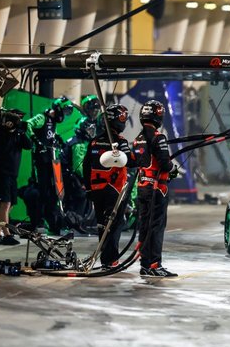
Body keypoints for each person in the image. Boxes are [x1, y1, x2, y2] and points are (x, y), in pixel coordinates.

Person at [83, 104, 135, 269]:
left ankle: (106, 259)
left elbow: (86, 166)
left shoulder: (94, 141)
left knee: (102, 225)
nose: (124, 121)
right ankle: (110, 261)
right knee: (114, 225)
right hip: (114, 191)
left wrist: (89, 189)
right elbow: (131, 161)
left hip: (96, 190)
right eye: (122, 118)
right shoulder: (120, 142)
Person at [133, 100, 178, 277]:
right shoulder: (158, 137)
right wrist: (173, 170)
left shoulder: (138, 139)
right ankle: (154, 265)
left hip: (142, 187)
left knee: (144, 226)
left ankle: (145, 264)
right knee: (156, 227)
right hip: (156, 190)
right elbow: (165, 164)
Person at [26, 96, 74, 231]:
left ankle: (55, 221)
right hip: (41, 161)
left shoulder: (53, 122)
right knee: (42, 190)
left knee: (56, 191)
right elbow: (28, 124)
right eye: (64, 111)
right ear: (58, 108)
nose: (64, 115)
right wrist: (36, 141)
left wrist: (57, 138)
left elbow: (50, 134)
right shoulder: (42, 117)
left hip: (53, 160)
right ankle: (38, 221)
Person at [0, 110, 32, 245]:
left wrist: (21, 131)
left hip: (13, 174)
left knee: (10, 204)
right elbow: (3, 147)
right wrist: (8, 130)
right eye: (16, 120)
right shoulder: (0, 133)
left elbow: (28, 145)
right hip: (2, 173)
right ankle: (5, 234)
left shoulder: (18, 134)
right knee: (5, 204)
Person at [62, 117, 96, 216]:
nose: (91, 133)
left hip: (68, 174)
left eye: (92, 130)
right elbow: (78, 167)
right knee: (82, 194)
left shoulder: (79, 141)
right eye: (89, 130)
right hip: (67, 176)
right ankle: (76, 219)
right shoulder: (78, 144)